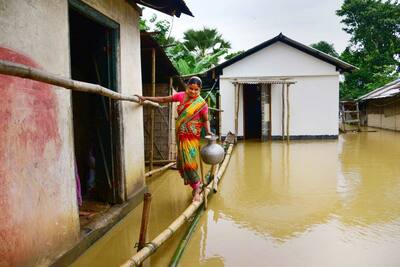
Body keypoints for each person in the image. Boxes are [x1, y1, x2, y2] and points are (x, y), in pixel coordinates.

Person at [136, 76, 212, 202]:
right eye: (190, 88)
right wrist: (145, 98)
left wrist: (208, 131)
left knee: (190, 163)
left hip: (192, 138)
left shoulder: (202, 104)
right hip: (181, 137)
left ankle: (197, 189)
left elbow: (205, 120)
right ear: (187, 86)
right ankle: (195, 186)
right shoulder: (181, 96)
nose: (193, 92)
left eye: (196, 90)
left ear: (200, 90)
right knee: (182, 164)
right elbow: (164, 99)